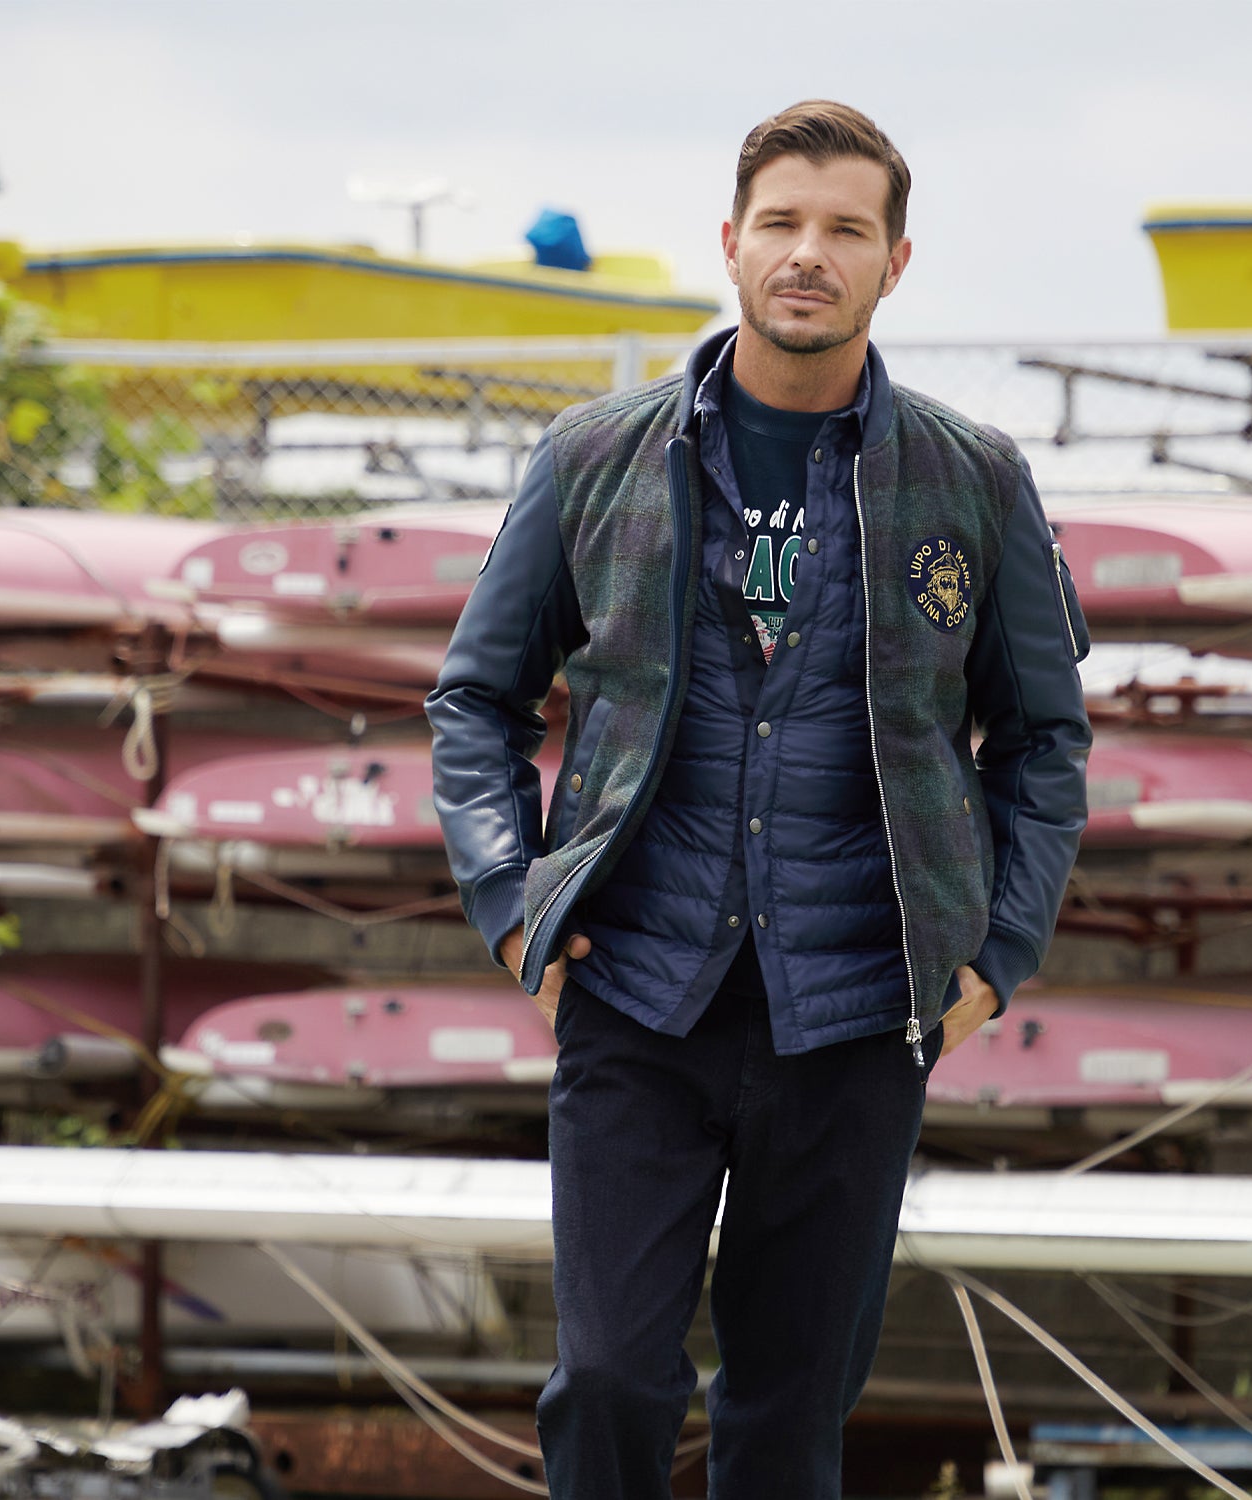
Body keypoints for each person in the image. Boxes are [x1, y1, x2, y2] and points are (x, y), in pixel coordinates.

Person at [427, 99, 1091, 1500]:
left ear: (894, 261)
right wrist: (509, 904)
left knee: (790, 1419)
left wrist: (997, 955)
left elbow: (1043, 739)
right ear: (730, 243)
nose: (809, 253)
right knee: (609, 1381)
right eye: (782, 222)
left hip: (857, 1014)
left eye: (846, 229)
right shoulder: (594, 458)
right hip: (638, 994)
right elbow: (476, 700)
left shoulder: (974, 479)